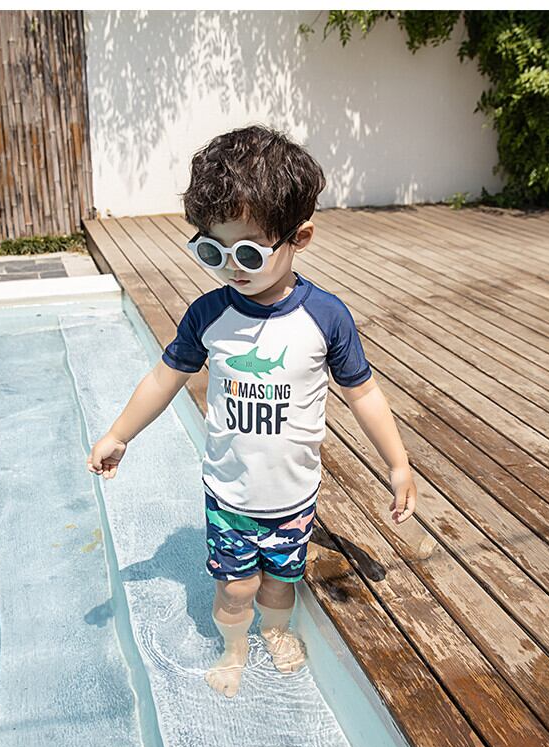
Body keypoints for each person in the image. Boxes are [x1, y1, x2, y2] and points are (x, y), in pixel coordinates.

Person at [87, 124, 417, 699]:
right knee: (236, 589)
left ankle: (276, 631)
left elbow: (362, 392)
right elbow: (165, 377)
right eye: (211, 250)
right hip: (230, 497)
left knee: (280, 586)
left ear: (300, 237)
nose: (230, 268)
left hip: (294, 499)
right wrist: (120, 433)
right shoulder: (209, 314)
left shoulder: (325, 318)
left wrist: (398, 463)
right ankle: (234, 649)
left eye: (246, 252)